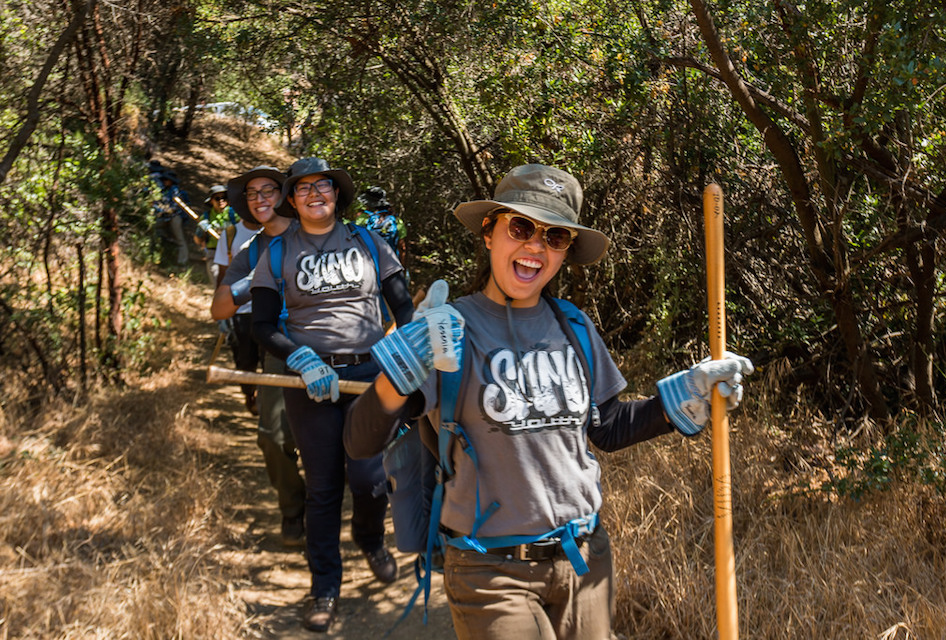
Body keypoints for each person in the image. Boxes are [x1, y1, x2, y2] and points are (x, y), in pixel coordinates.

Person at [343, 164, 754, 639]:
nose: (536, 245)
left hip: (585, 558)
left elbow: (609, 427)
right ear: (489, 233)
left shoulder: (573, 326)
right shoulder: (447, 332)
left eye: (555, 236)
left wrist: (683, 395)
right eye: (521, 227)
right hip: (489, 571)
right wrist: (401, 372)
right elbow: (359, 441)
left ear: (564, 252)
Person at [250, 157, 415, 633]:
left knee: (369, 480)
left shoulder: (368, 241)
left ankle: (370, 539)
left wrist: (408, 353)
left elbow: (401, 304)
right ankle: (324, 587)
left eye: (323, 185)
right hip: (310, 382)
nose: (314, 194)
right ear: (292, 199)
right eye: (303, 189)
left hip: (368, 374)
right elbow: (261, 325)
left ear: (337, 194)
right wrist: (299, 357)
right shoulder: (278, 253)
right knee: (323, 488)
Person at [210, 165, 306, 547]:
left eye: (269, 190)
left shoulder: (312, 232)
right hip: (278, 351)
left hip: (332, 346)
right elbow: (218, 308)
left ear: (283, 196)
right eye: (252, 194)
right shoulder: (251, 251)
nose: (261, 198)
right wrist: (253, 281)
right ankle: (293, 510)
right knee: (271, 436)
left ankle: (330, 504)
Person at [211, 180, 264, 416]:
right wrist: (221, 307)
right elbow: (223, 275)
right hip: (241, 311)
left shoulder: (275, 231)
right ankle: (249, 394)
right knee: (245, 357)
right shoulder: (230, 234)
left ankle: (266, 400)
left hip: (272, 310)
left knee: (270, 358)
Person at [355, 186, 407, 267]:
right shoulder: (396, 220)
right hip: (391, 264)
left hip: (369, 264)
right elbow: (402, 248)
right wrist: (402, 268)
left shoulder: (363, 218)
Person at [195, 185, 237, 285]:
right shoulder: (206, 217)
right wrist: (200, 231)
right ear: (211, 201)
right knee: (218, 284)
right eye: (217, 198)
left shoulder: (235, 215)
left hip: (233, 254)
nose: (221, 200)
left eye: (224, 197)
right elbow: (197, 241)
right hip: (213, 254)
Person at [153, 169, 191, 266]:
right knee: (155, 229)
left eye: (167, 179)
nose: (165, 181)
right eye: (164, 179)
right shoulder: (163, 190)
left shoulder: (175, 190)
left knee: (180, 239)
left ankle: (182, 261)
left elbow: (175, 207)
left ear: (171, 181)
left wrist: (164, 210)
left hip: (175, 217)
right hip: (164, 217)